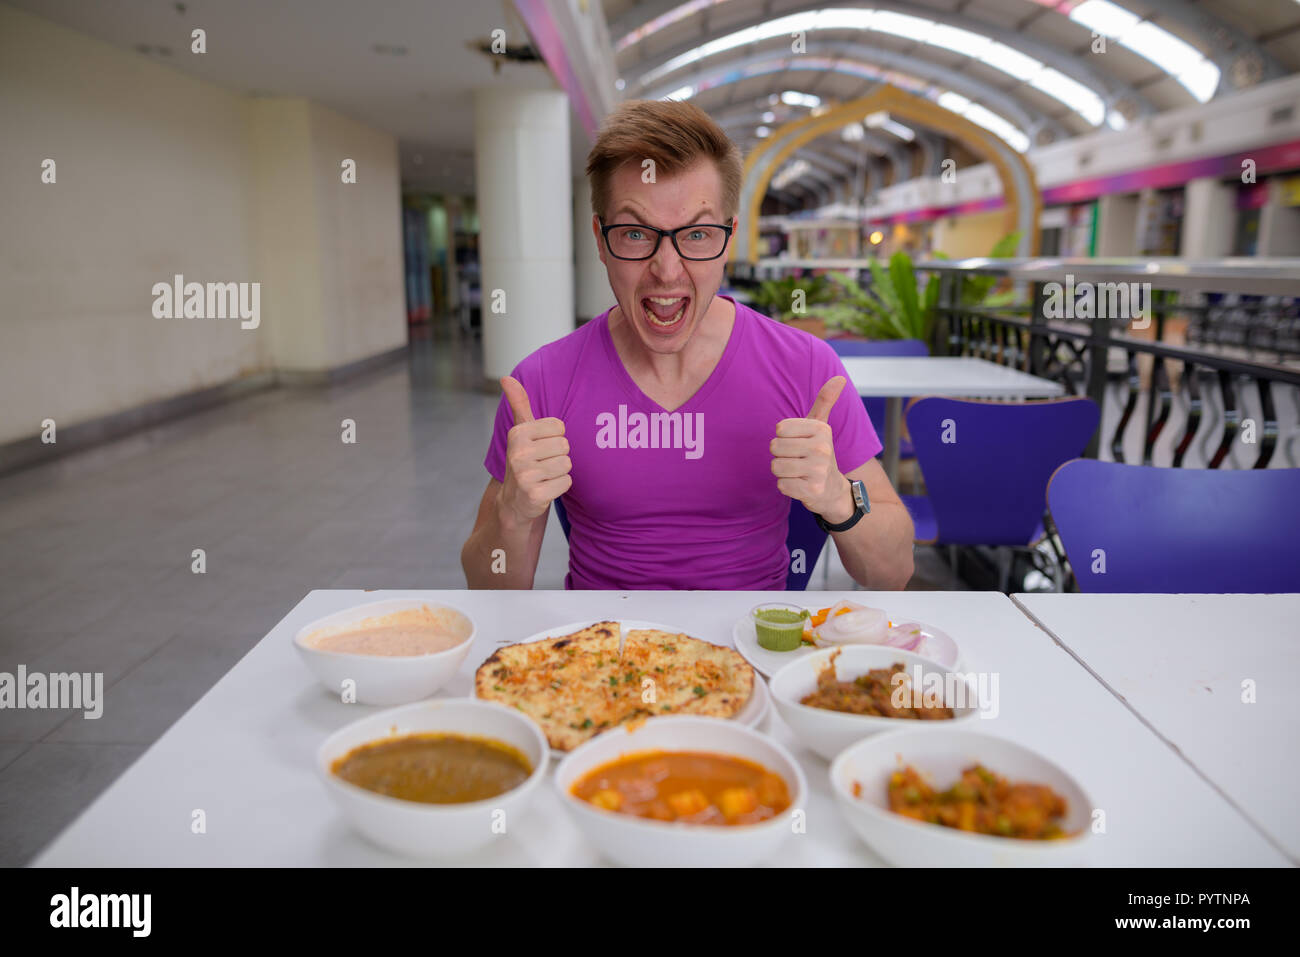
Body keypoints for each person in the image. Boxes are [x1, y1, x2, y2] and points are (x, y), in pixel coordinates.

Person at [461, 99, 914, 590]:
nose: (667, 270)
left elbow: (893, 572)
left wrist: (841, 500)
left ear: (730, 236)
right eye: (635, 233)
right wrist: (513, 515)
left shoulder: (806, 368)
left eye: (696, 234)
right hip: (601, 653)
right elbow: (491, 590)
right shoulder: (541, 385)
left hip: (756, 650)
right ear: (599, 238)